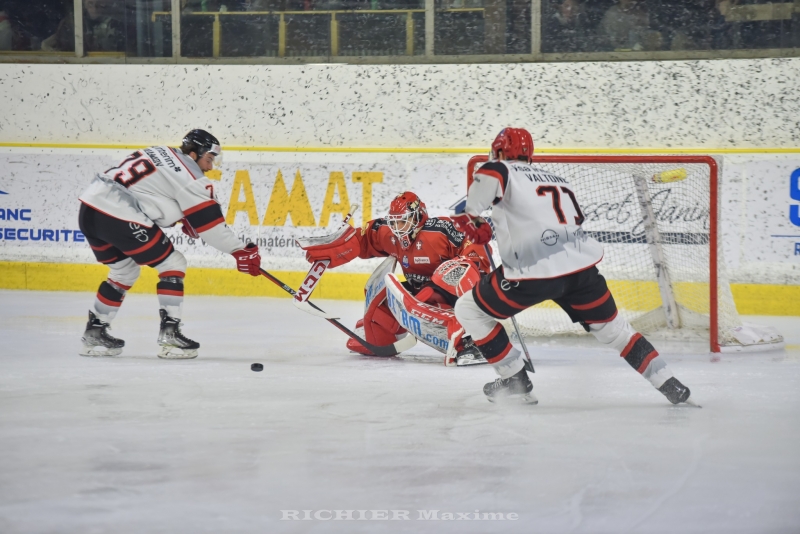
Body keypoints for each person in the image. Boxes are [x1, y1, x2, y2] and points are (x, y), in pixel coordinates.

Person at [451, 127, 694, 405]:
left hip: (533, 273)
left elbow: (475, 199)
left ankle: (514, 379)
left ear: (501, 151)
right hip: (581, 271)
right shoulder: (557, 178)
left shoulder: (499, 169)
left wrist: (473, 221)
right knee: (615, 331)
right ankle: (669, 383)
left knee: (468, 309)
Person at [77, 129, 261, 359]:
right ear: (194, 154)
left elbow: (148, 192)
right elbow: (210, 226)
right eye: (209, 159)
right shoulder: (190, 175)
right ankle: (170, 336)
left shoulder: (160, 151)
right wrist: (239, 250)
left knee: (124, 271)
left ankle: (95, 333)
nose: (210, 167)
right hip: (117, 213)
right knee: (173, 263)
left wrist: (178, 213)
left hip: (89, 209)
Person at [301, 191, 492, 363]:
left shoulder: (439, 230)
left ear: (418, 217)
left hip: (454, 293)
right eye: (394, 221)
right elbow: (363, 239)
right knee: (380, 312)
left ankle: (471, 341)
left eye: (402, 221)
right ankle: (382, 336)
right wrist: (335, 248)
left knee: (440, 281)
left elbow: (476, 241)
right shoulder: (391, 234)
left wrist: (469, 260)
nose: (397, 227)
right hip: (418, 294)